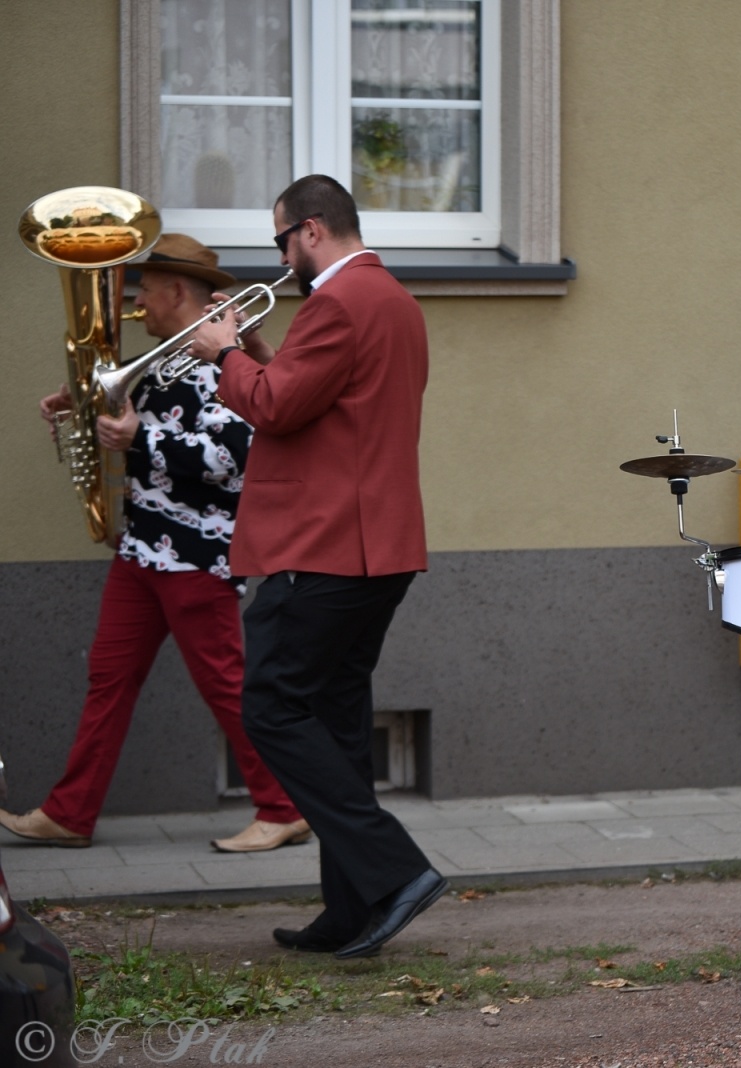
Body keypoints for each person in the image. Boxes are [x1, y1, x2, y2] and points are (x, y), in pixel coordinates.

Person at [185, 175, 444, 959]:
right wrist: (260, 353)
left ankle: (395, 871)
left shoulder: (335, 301)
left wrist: (225, 352)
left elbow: (273, 408)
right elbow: (319, 396)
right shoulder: (390, 299)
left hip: (325, 547)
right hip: (375, 549)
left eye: (279, 242)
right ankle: (352, 908)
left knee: (269, 707)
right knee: (334, 723)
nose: (280, 259)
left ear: (310, 230)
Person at [0, 235, 306, 854]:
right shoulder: (159, 363)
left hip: (195, 556)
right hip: (141, 550)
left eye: (144, 290)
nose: (136, 302)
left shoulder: (226, 362)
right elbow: (134, 418)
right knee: (108, 681)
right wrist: (79, 402)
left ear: (174, 292)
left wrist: (138, 439)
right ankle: (70, 813)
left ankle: (283, 807)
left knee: (225, 685)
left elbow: (231, 457)